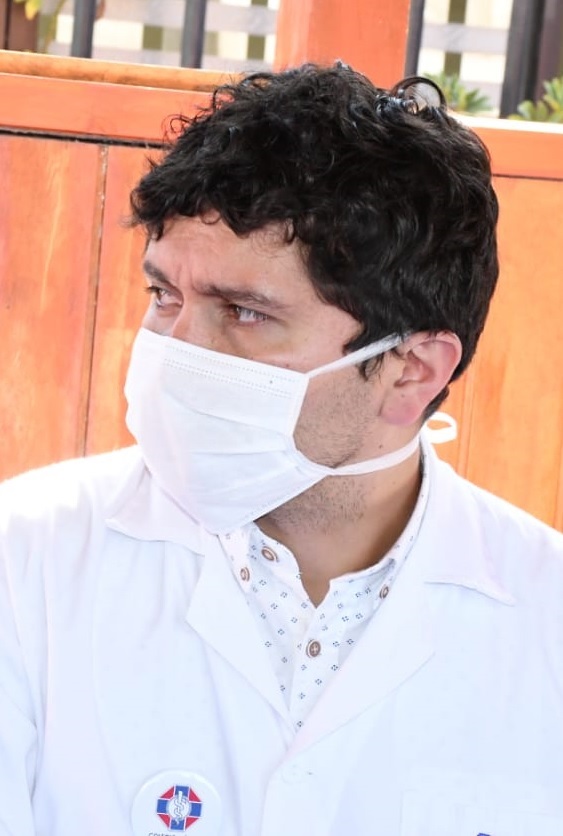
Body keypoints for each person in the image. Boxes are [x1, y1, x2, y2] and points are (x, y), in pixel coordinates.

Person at [1, 63, 563, 836]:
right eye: (164, 296)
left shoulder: (544, 615)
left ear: (411, 370)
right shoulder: (25, 559)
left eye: (244, 312)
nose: (176, 350)